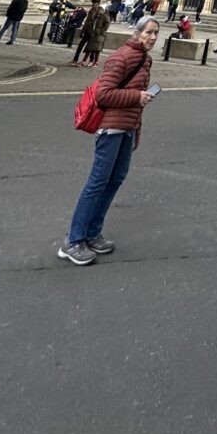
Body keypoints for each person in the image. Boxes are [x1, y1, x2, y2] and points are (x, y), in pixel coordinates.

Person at [58, 15, 160, 265]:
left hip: (126, 128)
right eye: (149, 32)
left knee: (115, 179)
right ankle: (73, 241)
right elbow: (104, 95)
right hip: (111, 128)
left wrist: (136, 128)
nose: (153, 37)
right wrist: (136, 97)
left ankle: (92, 233)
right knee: (97, 182)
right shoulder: (121, 57)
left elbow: (138, 100)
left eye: (156, 33)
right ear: (136, 33)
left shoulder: (145, 60)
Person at [73, 0, 109, 64]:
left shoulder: (101, 12)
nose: (92, 5)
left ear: (97, 4)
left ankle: (91, 61)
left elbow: (106, 24)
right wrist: (82, 31)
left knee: (91, 47)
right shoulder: (91, 11)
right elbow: (87, 22)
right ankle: (76, 59)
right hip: (88, 31)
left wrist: (99, 31)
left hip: (94, 33)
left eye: (94, 3)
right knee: (81, 45)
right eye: (92, 3)